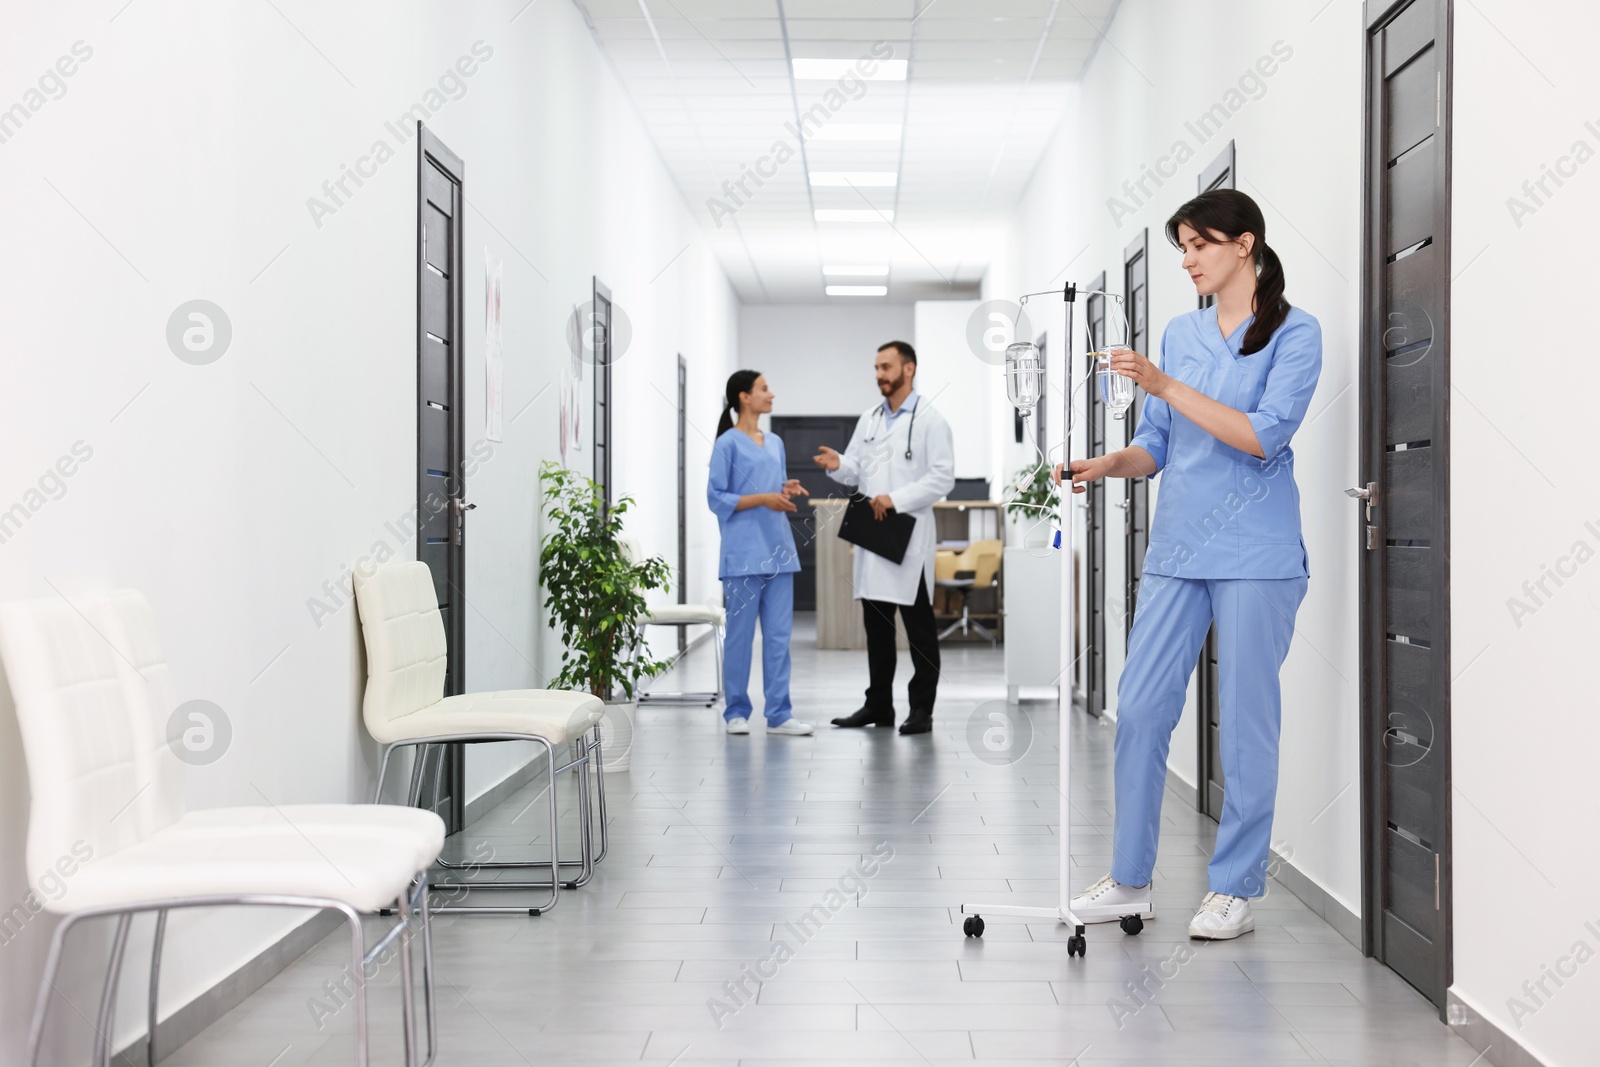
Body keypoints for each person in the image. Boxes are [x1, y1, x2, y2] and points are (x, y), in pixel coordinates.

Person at [1058, 189, 1321, 940]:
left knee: (1244, 724)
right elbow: (1158, 444)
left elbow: (1262, 435)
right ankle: (1131, 879)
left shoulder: (1297, 335)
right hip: (1179, 549)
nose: (1187, 259)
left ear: (1245, 245)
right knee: (1139, 709)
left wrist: (1166, 383)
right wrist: (1106, 463)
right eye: (1181, 246)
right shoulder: (1179, 331)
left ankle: (1234, 887)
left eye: (1200, 244)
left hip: (1257, 554)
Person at [813, 341, 955, 735]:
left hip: (910, 539)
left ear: (908, 369)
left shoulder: (930, 420)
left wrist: (897, 498)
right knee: (877, 631)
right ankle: (878, 706)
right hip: (875, 538)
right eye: (876, 367)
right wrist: (838, 464)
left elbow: (943, 477)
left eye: (886, 367)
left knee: (920, 633)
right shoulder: (870, 419)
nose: (880, 374)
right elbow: (856, 471)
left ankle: (921, 710)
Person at [707, 371, 814, 736]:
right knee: (739, 637)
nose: (771, 394)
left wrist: (784, 489)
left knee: (779, 638)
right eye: (764, 388)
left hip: (779, 551)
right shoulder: (727, 444)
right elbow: (716, 497)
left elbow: (773, 488)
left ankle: (780, 714)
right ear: (744, 397)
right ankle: (736, 711)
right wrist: (762, 499)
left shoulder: (776, 442)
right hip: (742, 555)